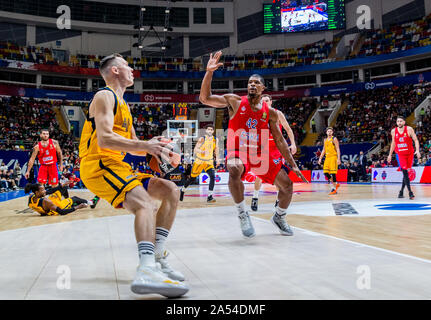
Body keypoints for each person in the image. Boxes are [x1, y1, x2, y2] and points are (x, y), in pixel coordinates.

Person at [78, 53, 188, 297]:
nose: (131, 70)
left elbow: (135, 147)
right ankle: (146, 268)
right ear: (115, 70)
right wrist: (146, 146)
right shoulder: (104, 95)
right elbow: (105, 140)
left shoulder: (124, 105)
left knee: (171, 190)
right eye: (127, 66)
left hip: (116, 165)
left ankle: (157, 256)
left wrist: (157, 147)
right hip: (98, 164)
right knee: (144, 204)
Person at [200, 51, 308, 238]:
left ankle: (279, 217)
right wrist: (209, 72)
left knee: (288, 186)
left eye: (256, 83)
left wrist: (293, 164)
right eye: (250, 82)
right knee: (234, 169)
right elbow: (205, 99)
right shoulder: (234, 101)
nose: (252, 84)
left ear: (263, 88)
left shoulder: (270, 113)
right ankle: (243, 213)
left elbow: (281, 141)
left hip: (260, 154)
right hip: (237, 151)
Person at [251, 94, 298, 212]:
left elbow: (288, 129)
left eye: (267, 100)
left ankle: (278, 199)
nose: (265, 102)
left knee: (279, 174)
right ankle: (255, 197)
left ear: (271, 102)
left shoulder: (278, 113)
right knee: (259, 174)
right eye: (263, 101)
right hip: (263, 146)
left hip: (277, 147)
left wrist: (293, 143)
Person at [180, 124, 221, 203]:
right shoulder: (202, 139)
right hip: (199, 161)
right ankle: (182, 190)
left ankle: (209, 196)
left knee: (212, 176)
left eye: (211, 129)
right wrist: (202, 151)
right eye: (208, 129)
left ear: (213, 131)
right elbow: (195, 150)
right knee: (192, 178)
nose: (210, 131)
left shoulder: (215, 140)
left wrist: (218, 159)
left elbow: (216, 150)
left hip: (209, 161)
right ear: (206, 130)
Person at [387, 116, 421, 199]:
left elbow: (416, 140)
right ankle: (410, 192)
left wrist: (417, 150)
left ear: (404, 122)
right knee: (405, 171)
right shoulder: (393, 131)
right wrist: (390, 154)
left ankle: (401, 192)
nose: (399, 123)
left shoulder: (409, 129)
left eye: (401, 121)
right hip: (400, 154)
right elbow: (393, 143)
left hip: (410, 154)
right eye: (398, 121)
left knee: (406, 173)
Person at [24, 182, 94, 216]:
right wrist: (78, 207)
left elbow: (48, 191)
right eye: (42, 190)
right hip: (56, 208)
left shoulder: (31, 197)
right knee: (74, 198)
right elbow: (62, 212)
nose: (44, 191)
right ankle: (91, 202)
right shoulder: (46, 201)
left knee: (63, 188)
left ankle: (68, 199)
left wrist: (61, 186)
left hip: (49, 205)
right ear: (37, 192)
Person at [318, 127, 341, 195]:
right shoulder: (325, 140)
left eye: (331, 131)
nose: (329, 132)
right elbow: (324, 150)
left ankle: (334, 189)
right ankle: (335, 183)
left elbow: (337, 149)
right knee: (325, 172)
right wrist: (320, 158)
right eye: (328, 131)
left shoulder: (334, 139)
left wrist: (338, 158)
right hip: (327, 158)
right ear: (326, 132)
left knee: (333, 173)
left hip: (333, 157)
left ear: (332, 132)